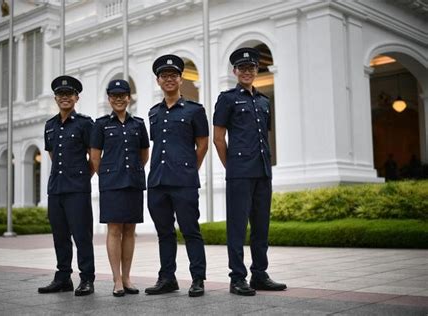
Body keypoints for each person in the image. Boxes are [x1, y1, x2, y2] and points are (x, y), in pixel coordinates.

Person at [213, 47, 286, 296]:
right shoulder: (227, 99)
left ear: (257, 70)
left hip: (263, 171)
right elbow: (218, 138)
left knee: (261, 226)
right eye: (242, 68)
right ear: (235, 71)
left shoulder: (265, 101)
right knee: (237, 226)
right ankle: (237, 277)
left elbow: (264, 135)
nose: (247, 72)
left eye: (251, 68)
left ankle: (259, 274)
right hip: (240, 172)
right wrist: (231, 166)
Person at [144, 54, 208, 297]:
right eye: (164, 76)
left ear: (180, 79)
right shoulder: (153, 113)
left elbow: (202, 144)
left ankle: (198, 278)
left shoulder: (194, 110)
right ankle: (167, 278)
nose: (169, 79)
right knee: (164, 233)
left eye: (173, 75)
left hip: (184, 182)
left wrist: (191, 168)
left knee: (191, 230)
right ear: (158, 81)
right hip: (158, 182)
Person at [90, 79, 149, 297]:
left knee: (130, 230)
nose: (118, 99)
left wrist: (130, 171)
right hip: (111, 185)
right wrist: (110, 176)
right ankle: (116, 280)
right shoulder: (101, 124)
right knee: (114, 229)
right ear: (109, 99)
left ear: (129, 97)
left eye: (122, 95)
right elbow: (95, 158)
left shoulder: (138, 124)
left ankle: (127, 277)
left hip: (133, 182)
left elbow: (144, 154)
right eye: (114, 96)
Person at [38, 75, 95, 296]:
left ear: (76, 97)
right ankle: (63, 278)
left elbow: (93, 156)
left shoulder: (84, 124)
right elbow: (53, 155)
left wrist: (82, 179)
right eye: (61, 95)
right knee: (60, 236)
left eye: (69, 94)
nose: (65, 98)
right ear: (56, 98)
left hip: (77, 190)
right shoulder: (50, 126)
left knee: (82, 236)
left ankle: (87, 279)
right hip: (56, 189)